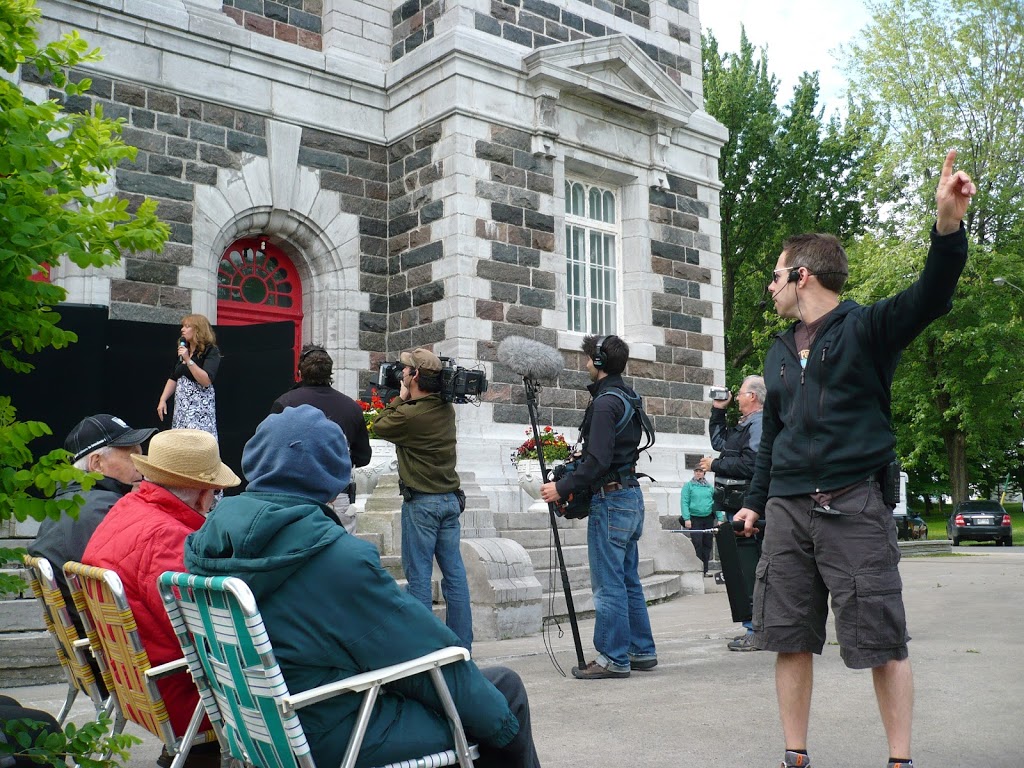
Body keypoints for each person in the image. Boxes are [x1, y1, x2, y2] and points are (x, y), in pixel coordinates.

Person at [734, 150, 976, 768]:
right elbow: (775, 433)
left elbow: (932, 294)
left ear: (803, 276)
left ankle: (899, 760)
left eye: (776, 274)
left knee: (882, 639)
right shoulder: (777, 353)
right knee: (789, 638)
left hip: (854, 504)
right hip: (788, 508)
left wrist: (947, 228)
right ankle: (795, 755)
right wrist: (754, 504)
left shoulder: (867, 328)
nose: (770, 285)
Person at [184, 405, 541, 768]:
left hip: (258, 729)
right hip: (333, 735)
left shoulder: (203, 545)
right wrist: (504, 726)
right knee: (502, 692)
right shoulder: (337, 559)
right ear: (333, 475)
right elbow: (423, 657)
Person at [82, 429, 239, 744]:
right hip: (181, 696)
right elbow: (207, 640)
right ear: (203, 493)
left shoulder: (127, 508)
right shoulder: (168, 537)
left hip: (136, 685)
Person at [539, 334, 657, 680]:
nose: (586, 363)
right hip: (630, 496)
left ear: (600, 362)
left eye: (590, 358)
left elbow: (598, 461)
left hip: (613, 499)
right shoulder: (627, 397)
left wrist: (561, 487)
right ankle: (641, 650)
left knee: (609, 584)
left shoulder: (606, 403)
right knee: (627, 579)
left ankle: (613, 658)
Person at [372, 348, 473, 651]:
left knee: (419, 578)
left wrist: (401, 396)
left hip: (423, 506)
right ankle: (462, 646)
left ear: (415, 376)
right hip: (450, 503)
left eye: (405, 370)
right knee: (454, 575)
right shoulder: (445, 409)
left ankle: (424, 649)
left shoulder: (410, 414)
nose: (400, 374)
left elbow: (379, 425)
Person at [28, 414, 156, 633]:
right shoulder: (109, 510)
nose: (142, 468)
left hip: (97, 646)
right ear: (96, 463)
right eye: (133, 457)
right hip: (120, 651)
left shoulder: (64, 506)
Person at [698, 375, 764, 650]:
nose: (735, 397)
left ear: (753, 396)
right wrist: (718, 410)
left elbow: (753, 465)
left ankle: (756, 629)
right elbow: (720, 443)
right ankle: (753, 627)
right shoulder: (746, 423)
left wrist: (716, 466)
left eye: (739, 393)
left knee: (747, 567)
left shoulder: (760, 424)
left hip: (745, 506)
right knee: (738, 568)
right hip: (733, 504)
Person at [271, 343, 372, 516]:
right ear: (329, 373)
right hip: (337, 495)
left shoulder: (285, 403)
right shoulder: (350, 407)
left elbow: (271, 451)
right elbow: (363, 457)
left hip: (296, 496)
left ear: (300, 372)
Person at [156, 314, 221, 439]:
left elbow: (206, 380)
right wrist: (163, 399)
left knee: (197, 441)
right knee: (181, 440)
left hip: (200, 408)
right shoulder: (183, 349)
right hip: (182, 407)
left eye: (187, 326)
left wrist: (188, 360)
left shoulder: (210, 351)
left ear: (198, 329)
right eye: (182, 326)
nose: (182, 329)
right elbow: (174, 377)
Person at [679, 466, 715, 577]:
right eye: (696, 471)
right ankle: (698, 569)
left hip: (708, 517)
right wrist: (687, 518)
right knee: (697, 543)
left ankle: (705, 569)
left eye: (701, 472)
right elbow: (684, 502)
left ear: (704, 473)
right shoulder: (688, 486)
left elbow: (714, 502)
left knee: (707, 544)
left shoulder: (709, 487)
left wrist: (719, 517)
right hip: (695, 518)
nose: (698, 473)